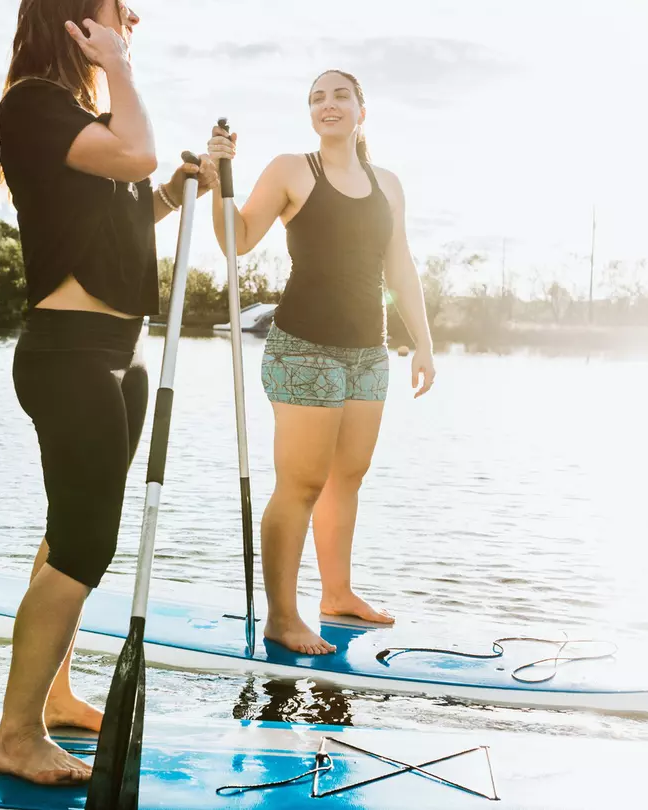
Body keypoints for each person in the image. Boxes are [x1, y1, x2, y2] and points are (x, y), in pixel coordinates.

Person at [0, 0, 217, 785]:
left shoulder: (81, 119)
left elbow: (119, 210)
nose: (136, 18)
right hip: (70, 356)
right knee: (87, 546)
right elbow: (136, 153)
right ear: (78, 18)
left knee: (71, 536)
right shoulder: (32, 105)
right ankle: (15, 735)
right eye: (122, 9)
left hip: (122, 356)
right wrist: (119, 65)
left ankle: (50, 699)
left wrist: (170, 193)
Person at [206, 70, 436, 656]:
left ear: (362, 109)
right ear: (310, 113)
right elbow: (237, 240)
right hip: (303, 347)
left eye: (340, 95)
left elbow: (400, 266)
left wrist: (424, 341)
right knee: (302, 484)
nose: (327, 104)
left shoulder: (388, 184)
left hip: (368, 352)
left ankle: (336, 594)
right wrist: (220, 179)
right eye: (316, 98)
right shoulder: (291, 169)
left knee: (348, 476)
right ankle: (282, 617)